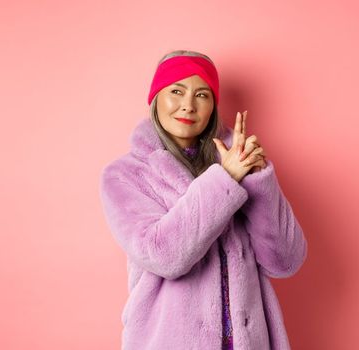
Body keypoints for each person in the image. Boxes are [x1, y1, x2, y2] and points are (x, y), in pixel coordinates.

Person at [99, 50, 307, 349]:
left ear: (213, 105)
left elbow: (285, 262)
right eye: (176, 91)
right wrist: (225, 179)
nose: (188, 104)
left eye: (202, 94)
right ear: (156, 98)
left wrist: (259, 179)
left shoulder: (238, 162)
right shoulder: (125, 175)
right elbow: (163, 255)